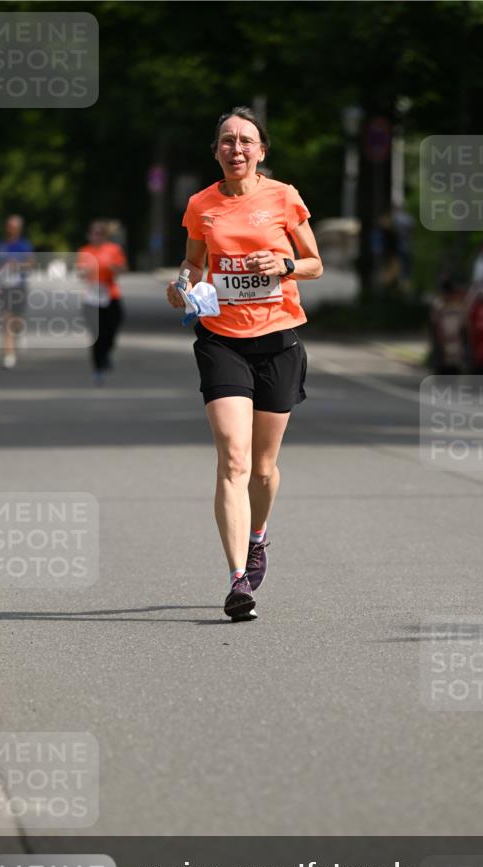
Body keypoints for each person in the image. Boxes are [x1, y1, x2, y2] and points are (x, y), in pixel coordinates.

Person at [166, 106, 323, 620]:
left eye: (246, 141)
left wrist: (283, 264)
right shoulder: (201, 205)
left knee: (263, 467)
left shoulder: (283, 197)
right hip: (221, 340)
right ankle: (238, 579)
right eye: (227, 141)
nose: (237, 148)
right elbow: (193, 263)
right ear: (216, 151)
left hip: (278, 339)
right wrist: (182, 286)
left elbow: (314, 263)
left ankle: (258, 537)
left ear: (261, 151)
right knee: (232, 459)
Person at [76, 221, 127, 384]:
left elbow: (122, 268)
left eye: (100, 233)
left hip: (110, 295)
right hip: (91, 297)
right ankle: (98, 369)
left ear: (105, 236)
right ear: (89, 235)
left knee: (112, 329)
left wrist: (114, 268)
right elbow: (81, 272)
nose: (96, 236)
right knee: (97, 335)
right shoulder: (85, 251)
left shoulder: (113, 249)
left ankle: (106, 353)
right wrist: (87, 271)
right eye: (93, 233)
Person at [0, 215, 34, 368]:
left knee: (16, 319)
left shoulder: (24, 245)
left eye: (14, 227)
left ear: (19, 229)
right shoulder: (0, 245)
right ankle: (9, 354)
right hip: (4, 286)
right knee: (6, 319)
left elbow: (30, 265)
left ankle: (19, 330)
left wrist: (17, 265)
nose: (11, 230)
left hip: (18, 286)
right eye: (9, 226)